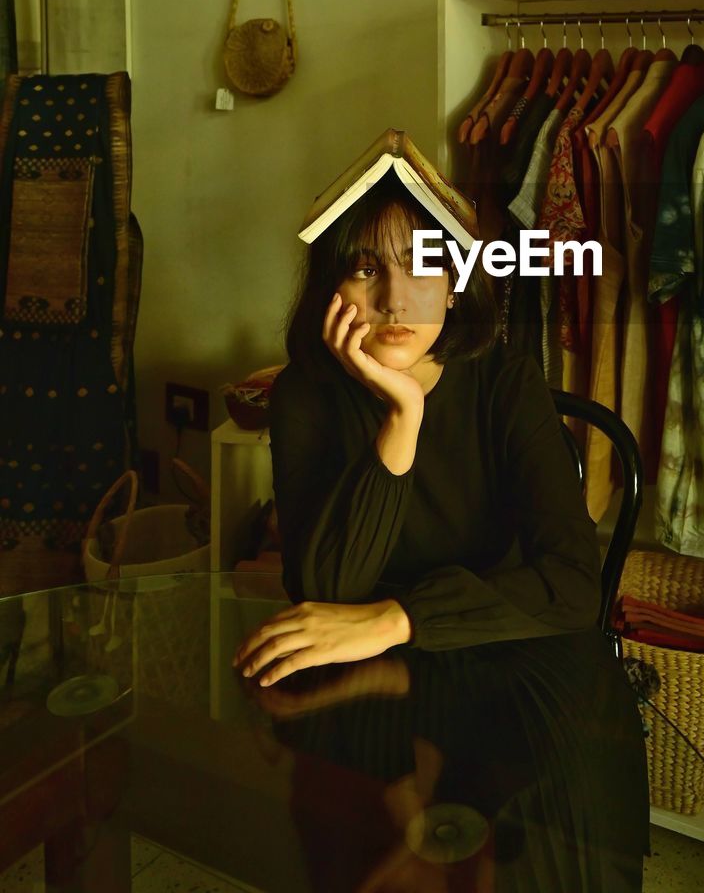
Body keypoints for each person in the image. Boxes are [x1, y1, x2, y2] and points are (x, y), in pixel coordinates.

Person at [233, 170, 649, 890]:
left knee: (552, 814)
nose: (394, 298)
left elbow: (574, 585)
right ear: (334, 287)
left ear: (455, 284)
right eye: (366, 268)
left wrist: (400, 618)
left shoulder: (505, 383)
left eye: (421, 263)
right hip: (365, 663)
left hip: (501, 641)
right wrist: (401, 418)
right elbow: (326, 587)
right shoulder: (304, 393)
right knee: (341, 824)